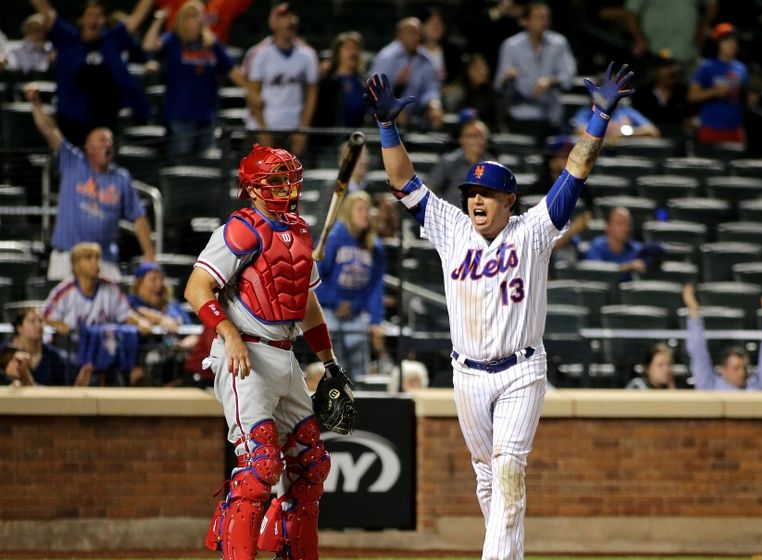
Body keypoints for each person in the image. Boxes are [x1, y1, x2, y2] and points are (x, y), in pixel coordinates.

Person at [365, 61, 634, 559]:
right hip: (466, 374)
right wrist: (387, 128)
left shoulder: (532, 231)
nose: (476, 201)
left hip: (520, 371)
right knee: (489, 483)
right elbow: (404, 182)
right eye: (472, 193)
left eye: (487, 194)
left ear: (509, 200)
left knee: (509, 470)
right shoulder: (451, 227)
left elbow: (576, 171)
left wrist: (598, 119)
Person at [184, 143, 352, 559]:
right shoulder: (240, 228)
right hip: (246, 355)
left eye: (287, 178)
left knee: (312, 464)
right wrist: (229, 333)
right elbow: (196, 288)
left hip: (285, 353)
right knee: (260, 466)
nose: (285, 186)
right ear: (254, 189)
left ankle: (291, 551)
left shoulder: (299, 230)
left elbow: (307, 306)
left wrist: (328, 362)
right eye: (275, 180)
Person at [26, 84, 155, 282]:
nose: (108, 145)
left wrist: (150, 256)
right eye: (103, 141)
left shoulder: (121, 178)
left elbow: (138, 217)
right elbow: (49, 130)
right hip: (67, 257)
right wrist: (36, 104)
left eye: (110, 141)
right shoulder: (72, 162)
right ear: (89, 148)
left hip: (104, 261)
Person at [142, 1, 260, 158]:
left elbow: (232, 71)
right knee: (181, 162)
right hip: (181, 115)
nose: (199, 20)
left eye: (201, 15)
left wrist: (253, 90)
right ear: (183, 20)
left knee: (206, 165)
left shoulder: (211, 44)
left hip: (207, 115)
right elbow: (148, 45)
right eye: (193, 16)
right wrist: (159, 20)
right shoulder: (173, 40)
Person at [29, 0, 153, 146]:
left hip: (105, 119)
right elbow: (45, 9)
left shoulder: (113, 39)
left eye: (99, 15)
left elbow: (138, 15)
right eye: (89, 15)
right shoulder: (66, 38)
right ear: (80, 20)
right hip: (72, 118)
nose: (94, 19)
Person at [42, 242, 152, 386]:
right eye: (89, 258)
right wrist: (59, 325)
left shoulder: (111, 288)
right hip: (73, 355)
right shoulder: (64, 291)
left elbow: (126, 315)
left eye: (97, 258)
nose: (95, 262)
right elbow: (44, 317)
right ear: (76, 265)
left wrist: (140, 322)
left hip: (105, 354)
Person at [315, 191, 388, 382]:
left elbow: (375, 287)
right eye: (360, 209)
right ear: (349, 212)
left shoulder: (375, 245)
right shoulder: (334, 237)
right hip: (330, 310)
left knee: (359, 371)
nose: (366, 214)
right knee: (335, 366)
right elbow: (316, 277)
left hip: (357, 313)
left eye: (368, 209)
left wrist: (375, 320)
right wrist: (335, 301)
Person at [494, 1, 577, 139]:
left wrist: (550, 81)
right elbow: (498, 85)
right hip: (520, 116)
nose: (544, 21)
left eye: (546, 17)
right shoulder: (510, 46)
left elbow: (568, 77)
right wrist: (507, 78)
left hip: (552, 116)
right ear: (525, 21)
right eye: (538, 17)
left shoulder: (559, 43)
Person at [244, 3, 318, 155]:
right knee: (260, 178)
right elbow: (252, 94)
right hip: (264, 127)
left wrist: (303, 130)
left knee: (294, 177)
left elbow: (312, 95)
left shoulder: (307, 55)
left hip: (293, 129)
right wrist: (263, 131)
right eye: (284, 16)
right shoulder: (259, 53)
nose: (290, 21)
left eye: (292, 16)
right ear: (273, 23)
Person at [682, 284, 762, 391]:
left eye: (744, 368)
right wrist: (693, 310)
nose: (742, 373)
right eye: (736, 368)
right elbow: (698, 352)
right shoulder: (710, 386)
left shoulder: (757, 386)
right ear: (722, 370)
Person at [128, 261, 196, 385]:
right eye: (153, 280)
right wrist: (161, 319)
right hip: (145, 366)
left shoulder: (174, 306)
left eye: (161, 279)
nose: (159, 284)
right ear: (139, 284)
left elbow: (193, 333)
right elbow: (137, 313)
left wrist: (182, 345)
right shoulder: (131, 303)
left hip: (177, 360)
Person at [369, 17, 444, 130]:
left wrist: (434, 105)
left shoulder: (426, 59)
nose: (415, 37)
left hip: (417, 116)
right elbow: (375, 91)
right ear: (399, 35)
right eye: (410, 32)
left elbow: (430, 89)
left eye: (418, 33)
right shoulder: (386, 57)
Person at [687, 22, 749, 147]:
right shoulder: (707, 66)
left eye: (734, 41)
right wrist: (714, 92)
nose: (732, 45)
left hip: (734, 128)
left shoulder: (741, 68)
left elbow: (745, 98)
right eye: (726, 41)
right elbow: (691, 96)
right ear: (718, 44)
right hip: (711, 127)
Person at [1, 307, 82, 386]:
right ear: (19, 328)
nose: (39, 325)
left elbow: (61, 391)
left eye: (40, 321)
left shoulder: (53, 358)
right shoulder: (4, 354)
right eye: (32, 321)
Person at [426, 118, 495, 206]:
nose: (479, 140)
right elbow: (431, 188)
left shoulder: (493, 166)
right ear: (463, 140)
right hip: (451, 216)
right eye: (474, 136)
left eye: (483, 136)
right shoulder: (449, 161)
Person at [313, 31, 369, 130]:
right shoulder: (327, 83)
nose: (353, 52)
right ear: (338, 53)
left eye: (356, 48)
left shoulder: (365, 83)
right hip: (331, 138)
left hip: (358, 136)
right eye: (348, 48)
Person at [584, 206, 646, 280]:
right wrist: (628, 267)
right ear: (608, 227)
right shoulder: (597, 246)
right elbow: (597, 273)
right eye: (620, 223)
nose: (625, 228)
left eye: (628, 223)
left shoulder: (636, 249)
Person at [571, 97, 660, 146]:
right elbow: (578, 131)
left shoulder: (625, 111)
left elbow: (652, 131)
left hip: (624, 155)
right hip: (597, 154)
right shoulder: (587, 112)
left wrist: (623, 133)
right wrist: (605, 131)